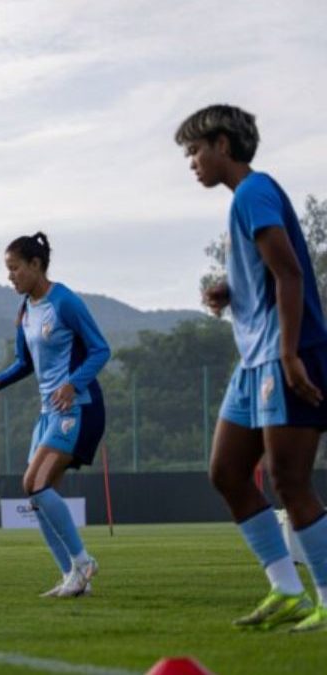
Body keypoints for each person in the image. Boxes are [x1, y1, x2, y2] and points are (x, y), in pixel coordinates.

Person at [176, 104, 327, 633]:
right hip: (255, 359)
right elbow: (268, 277)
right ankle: (286, 589)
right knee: (226, 472)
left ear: (221, 144)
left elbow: (289, 276)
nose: (191, 162)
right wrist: (231, 291)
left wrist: (289, 354)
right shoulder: (244, 200)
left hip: (286, 353)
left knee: (290, 481)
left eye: (194, 150)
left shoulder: (254, 192)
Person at [0, 232, 109, 598]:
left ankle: (83, 560)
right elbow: (24, 362)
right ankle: (72, 576)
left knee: (35, 484)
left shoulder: (64, 302)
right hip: (48, 412)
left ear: (35, 265)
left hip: (77, 408)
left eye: (14, 268)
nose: (10, 276)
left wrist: (73, 384)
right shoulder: (25, 311)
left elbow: (100, 350)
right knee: (35, 496)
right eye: (7, 270)